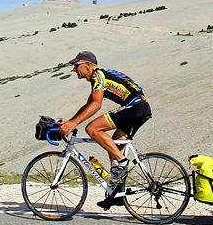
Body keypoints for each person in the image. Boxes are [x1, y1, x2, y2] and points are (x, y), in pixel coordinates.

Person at [59, 51, 151, 209]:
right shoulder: (99, 77)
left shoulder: (98, 76)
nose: (74, 70)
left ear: (88, 65)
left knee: (92, 129)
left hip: (135, 107)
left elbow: (96, 105)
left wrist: (74, 124)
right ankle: (116, 195)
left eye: (76, 66)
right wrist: (71, 121)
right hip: (139, 108)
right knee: (113, 149)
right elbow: (88, 105)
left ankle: (122, 162)